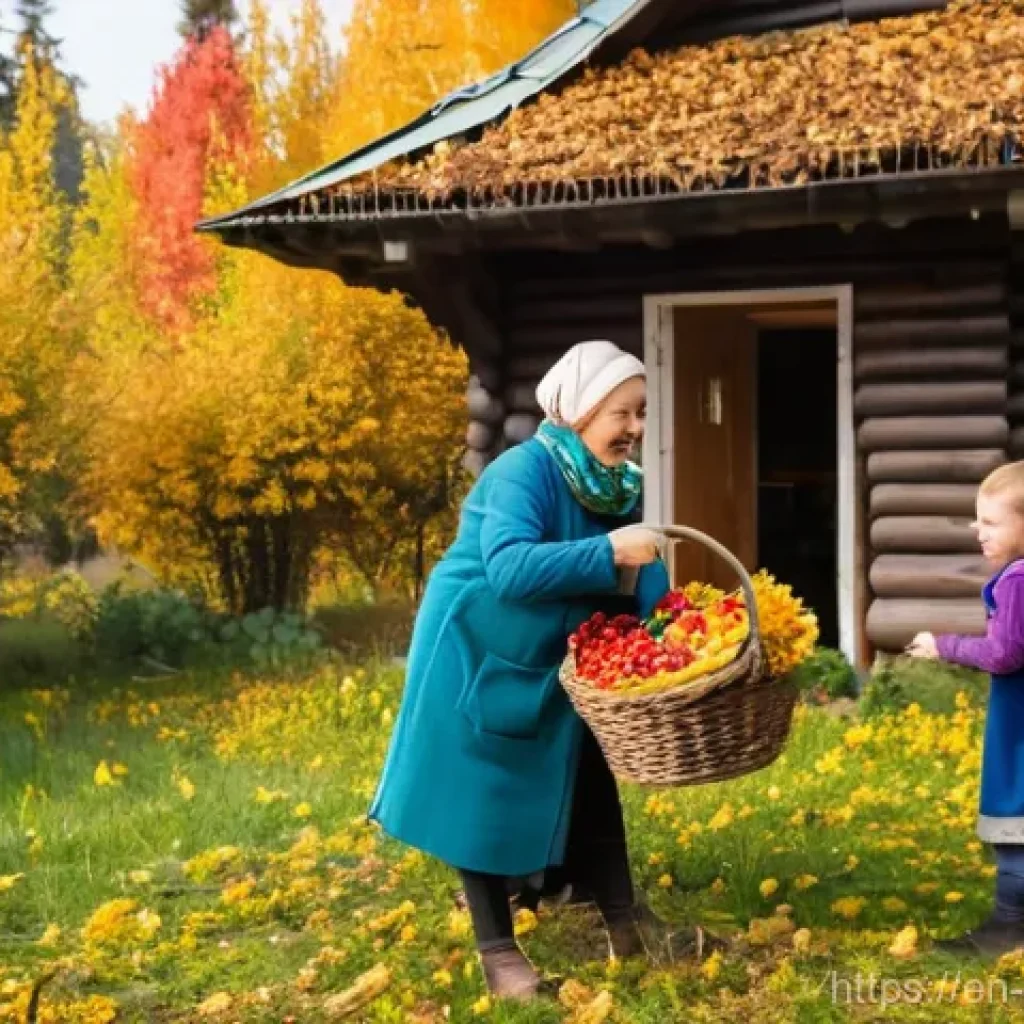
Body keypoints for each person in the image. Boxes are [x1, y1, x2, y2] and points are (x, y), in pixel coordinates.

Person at [369, 340, 695, 1001]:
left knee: (589, 771)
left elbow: (643, 575)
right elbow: (510, 567)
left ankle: (627, 925)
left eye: (641, 413)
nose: (635, 428)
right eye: (623, 413)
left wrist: (678, 633)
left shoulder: (614, 485)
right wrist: (609, 552)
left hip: (548, 650)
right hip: (476, 645)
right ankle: (499, 954)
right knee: (480, 793)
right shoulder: (523, 471)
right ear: (581, 410)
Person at [908, 460, 1024, 956]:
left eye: (992, 521)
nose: (979, 530)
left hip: (1019, 727)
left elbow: (1005, 654)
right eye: (978, 520)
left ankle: (1008, 927)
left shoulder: (1017, 579)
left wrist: (944, 645)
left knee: (1015, 824)